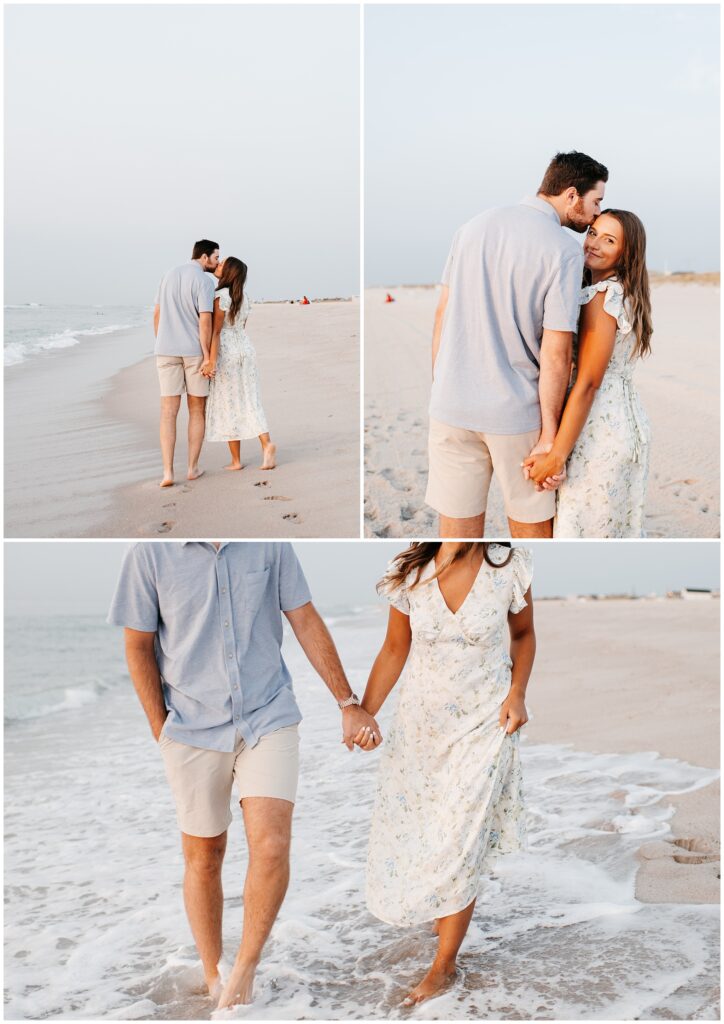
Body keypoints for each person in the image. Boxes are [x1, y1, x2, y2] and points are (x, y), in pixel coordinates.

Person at [107, 542, 381, 1009]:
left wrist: (347, 702)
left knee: (272, 846)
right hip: (190, 726)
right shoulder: (149, 555)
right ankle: (213, 970)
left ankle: (243, 971)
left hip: (267, 713)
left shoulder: (270, 542)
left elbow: (305, 618)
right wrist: (161, 729)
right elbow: (138, 644)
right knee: (205, 854)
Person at [360, 542, 535, 1005]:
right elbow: (395, 649)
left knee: (461, 838)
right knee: (426, 832)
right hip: (421, 728)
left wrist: (517, 694)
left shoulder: (508, 565)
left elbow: (524, 635)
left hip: (485, 722)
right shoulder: (410, 571)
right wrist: (365, 712)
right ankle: (443, 919)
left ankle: (444, 965)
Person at [426, 151, 608, 538]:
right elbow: (556, 354)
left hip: (450, 405)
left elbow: (442, 314)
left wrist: (439, 384)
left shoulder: (473, 226)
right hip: (515, 414)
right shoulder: (562, 250)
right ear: (572, 194)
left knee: (456, 539)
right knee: (532, 534)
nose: (594, 215)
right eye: (596, 203)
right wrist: (549, 436)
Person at [522, 210, 652, 537]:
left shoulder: (603, 296)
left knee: (582, 528)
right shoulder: (626, 292)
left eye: (609, 240)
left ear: (627, 253)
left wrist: (556, 455)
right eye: (593, 233)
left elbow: (589, 382)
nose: (593, 244)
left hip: (599, 429)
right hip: (626, 422)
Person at [153, 240, 219, 488]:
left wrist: (161, 341)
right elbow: (205, 321)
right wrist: (207, 355)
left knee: (168, 412)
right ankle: (192, 468)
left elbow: (157, 314)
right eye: (215, 257)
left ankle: (168, 473)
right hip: (193, 352)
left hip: (165, 350)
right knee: (196, 410)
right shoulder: (204, 281)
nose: (216, 262)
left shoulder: (168, 274)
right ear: (204, 257)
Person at [205, 257, 277, 471]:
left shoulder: (220, 297)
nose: (218, 266)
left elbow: (217, 332)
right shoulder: (244, 297)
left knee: (229, 402)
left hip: (227, 352)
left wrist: (210, 360)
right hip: (246, 349)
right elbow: (241, 326)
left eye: (221, 265)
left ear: (228, 272)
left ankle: (236, 461)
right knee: (250, 399)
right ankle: (266, 444)